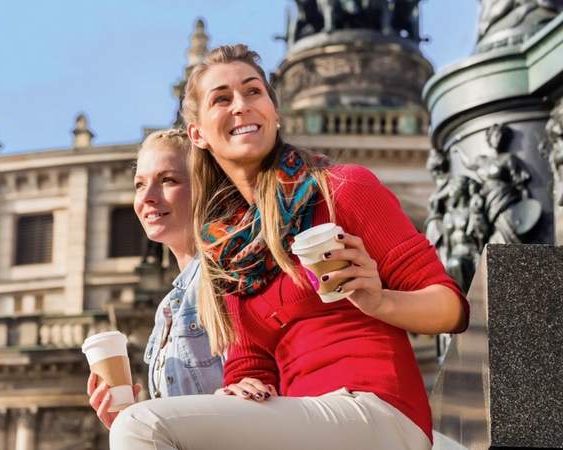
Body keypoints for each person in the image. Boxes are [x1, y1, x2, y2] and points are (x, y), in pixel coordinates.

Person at [109, 45, 469, 450]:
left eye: (253, 92)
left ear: (275, 113)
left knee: (139, 427)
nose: (241, 106)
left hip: (376, 410)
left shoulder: (342, 189)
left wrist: (379, 300)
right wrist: (241, 388)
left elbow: (451, 308)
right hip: (304, 417)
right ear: (197, 135)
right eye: (222, 99)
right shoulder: (228, 248)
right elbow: (250, 364)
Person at [86, 129, 224, 429]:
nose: (147, 197)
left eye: (168, 180)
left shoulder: (226, 276)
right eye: (139, 184)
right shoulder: (169, 307)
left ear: (207, 186)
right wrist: (129, 422)